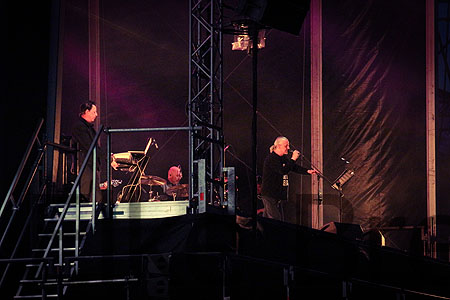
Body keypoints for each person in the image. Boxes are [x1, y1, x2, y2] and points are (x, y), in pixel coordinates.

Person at [71, 100, 117, 203]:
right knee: (88, 196)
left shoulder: (88, 128)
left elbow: (94, 147)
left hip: (90, 166)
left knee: (96, 198)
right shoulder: (80, 127)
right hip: (85, 166)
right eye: (94, 112)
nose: (96, 115)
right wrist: (108, 158)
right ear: (86, 111)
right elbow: (90, 146)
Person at [260, 136, 316, 221]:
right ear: (278, 146)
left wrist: (307, 171)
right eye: (286, 146)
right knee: (276, 219)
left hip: (276, 194)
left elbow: (293, 167)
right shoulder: (271, 158)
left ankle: (262, 233)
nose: (288, 148)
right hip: (269, 194)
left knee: (268, 219)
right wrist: (293, 159)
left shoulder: (282, 158)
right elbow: (283, 170)